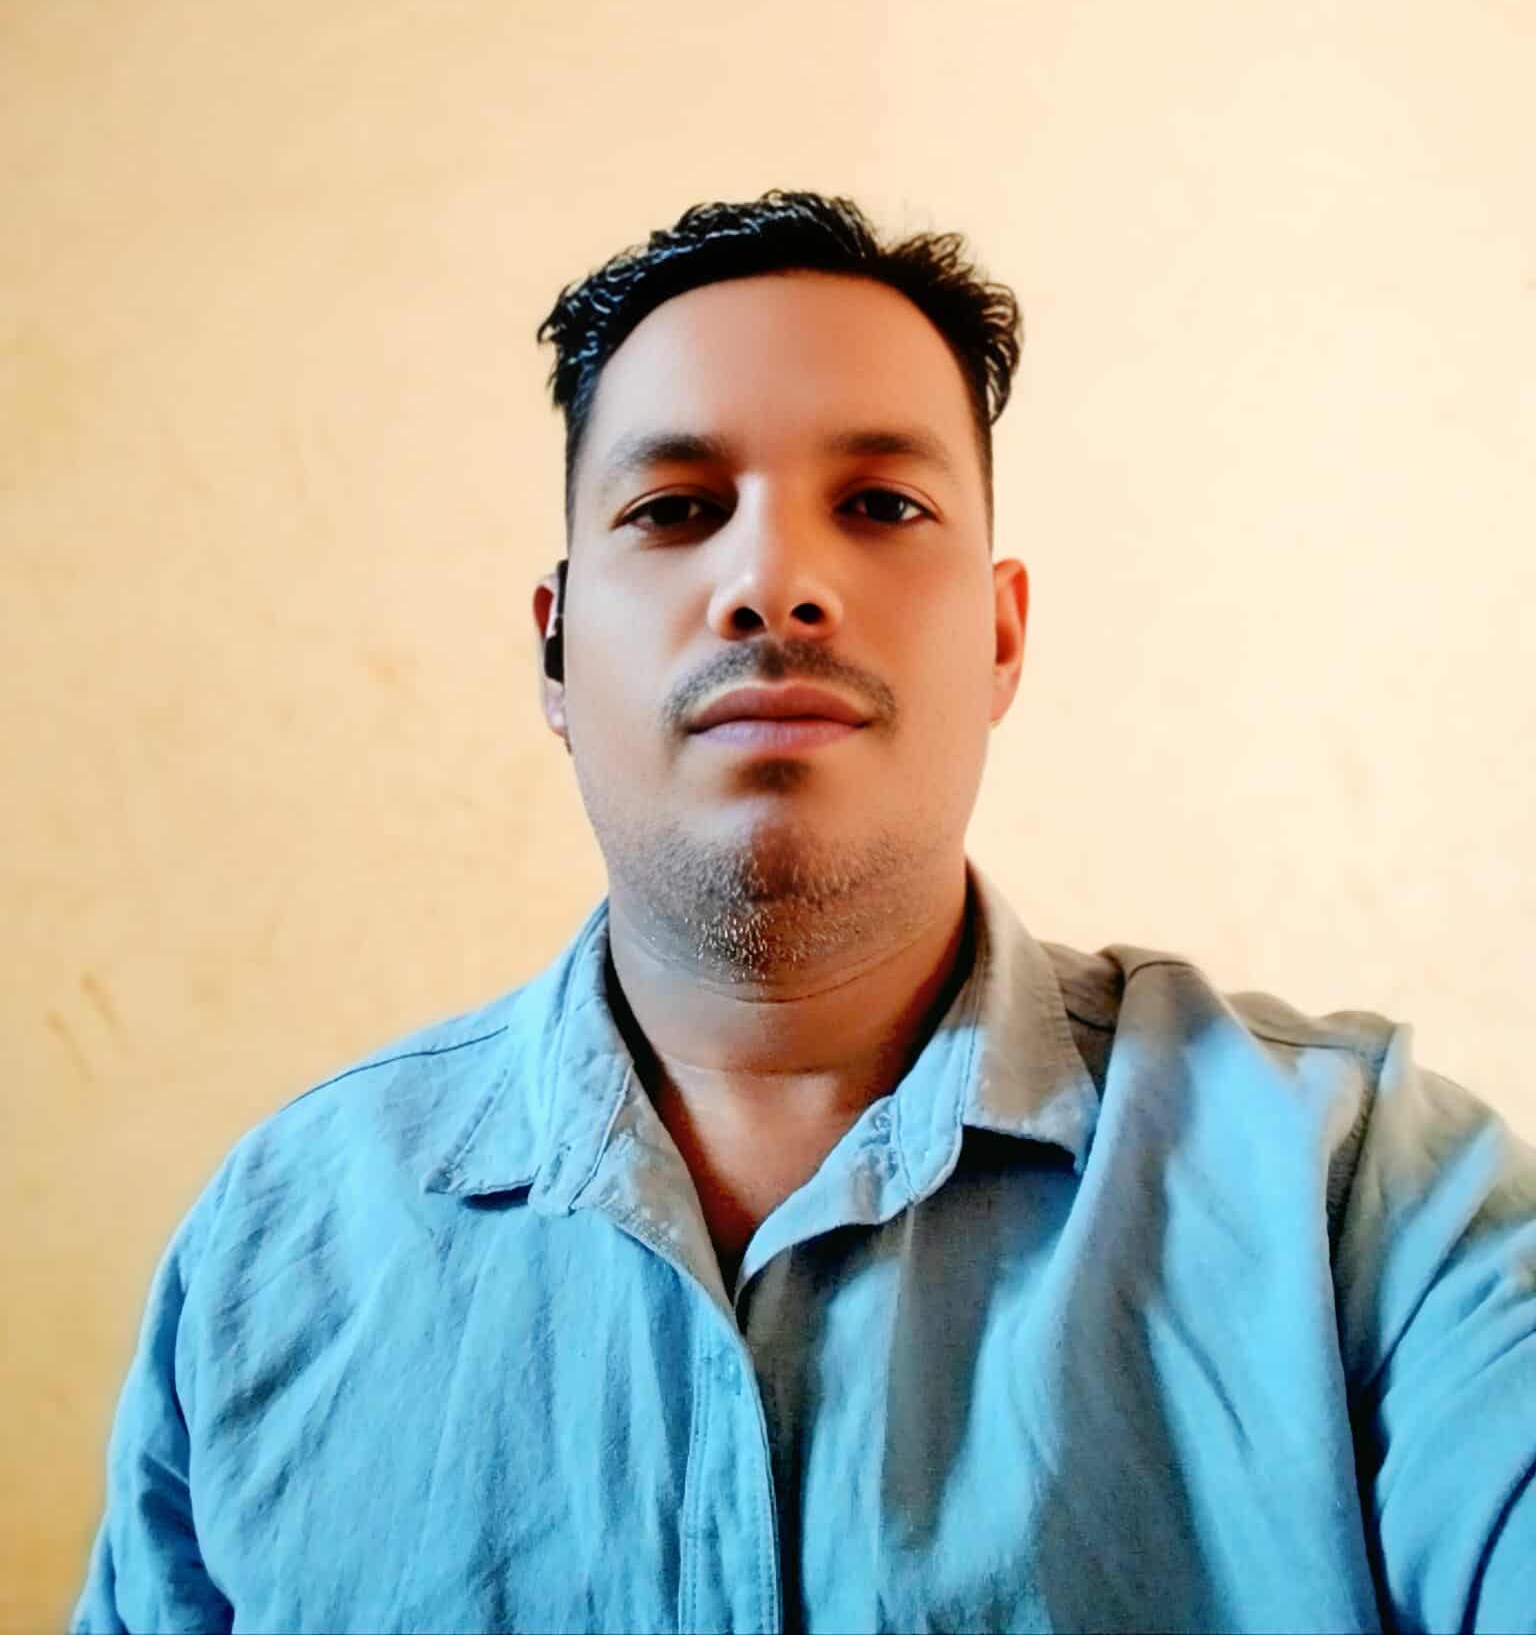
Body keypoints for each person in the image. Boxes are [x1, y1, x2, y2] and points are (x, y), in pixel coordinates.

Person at [75, 190, 1535, 1633]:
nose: (773, 582)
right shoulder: (281, 1243)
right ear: (557, 648)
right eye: (676, 510)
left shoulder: (1360, 1199)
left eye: (882, 505)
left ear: (1001, 635)